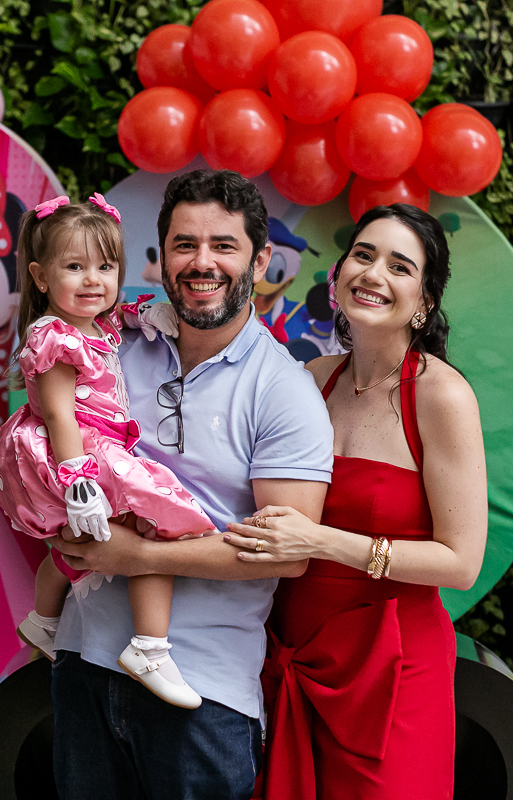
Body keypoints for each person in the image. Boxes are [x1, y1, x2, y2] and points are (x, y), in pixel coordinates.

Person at [50, 169, 334, 800]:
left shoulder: (285, 393)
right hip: (85, 663)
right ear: (162, 253)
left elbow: (287, 554)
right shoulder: (112, 341)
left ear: (259, 259)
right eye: (184, 244)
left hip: (203, 694)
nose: (201, 263)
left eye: (223, 246)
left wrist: (141, 557)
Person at [226, 204, 488, 800]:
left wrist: (321, 542)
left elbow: (461, 561)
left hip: (390, 673)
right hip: (292, 655)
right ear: (337, 273)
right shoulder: (310, 380)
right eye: (364, 255)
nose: (373, 274)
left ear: (423, 301)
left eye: (400, 266)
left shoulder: (442, 397)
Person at [0, 194, 220, 709]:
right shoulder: (54, 337)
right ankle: (150, 647)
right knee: (163, 523)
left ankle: (44, 621)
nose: (93, 279)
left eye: (105, 266)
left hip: (99, 447)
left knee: (79, 542)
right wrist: (78, 481)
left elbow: (122, 321)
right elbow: (57, 415)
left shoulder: (98, 327)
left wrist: (148, 314)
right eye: (75, 266)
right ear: (41, 276)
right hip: (82, 452)